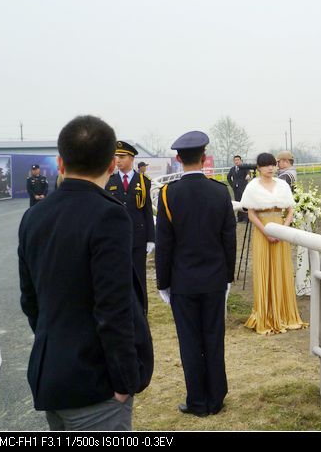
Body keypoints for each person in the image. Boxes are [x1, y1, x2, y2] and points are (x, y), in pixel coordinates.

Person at [18, 115, 153, 431]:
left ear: (60, 163)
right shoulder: (109, 215)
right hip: (95, 384)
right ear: (110, 164)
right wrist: (123, 381)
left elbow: (31, 301)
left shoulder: (34, 217)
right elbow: (113, 307)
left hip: (52, 374)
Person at [155, 130, 236, 417]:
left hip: (183, 281)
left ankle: (197, 401)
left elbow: (164, 244)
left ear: (178, 159)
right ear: (204, 158)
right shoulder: (219, 191)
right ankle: (216, 398)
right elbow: (229, 238)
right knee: (214, 337)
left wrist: (162, 283)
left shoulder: (168, 194)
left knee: (190, 341)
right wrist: (228, 276)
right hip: (214, 279)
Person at [239, 152, 307, 335]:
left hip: (281, 232)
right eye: (266, 165)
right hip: (262, 233)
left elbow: (290, 210)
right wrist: (266, 232)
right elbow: (251, 214)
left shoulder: (282, 185)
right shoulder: (252, 187)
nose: (270, 168)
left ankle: (284, 312)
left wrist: (283, 230)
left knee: (282, 269)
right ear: (259, 168)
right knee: (264, 269)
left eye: (272, 165)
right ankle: (266, 313)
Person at [106, 141, 155, 314]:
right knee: (118, 276)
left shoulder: (143, 181)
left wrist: (151, 238)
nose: (118, 160)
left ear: (132, 158)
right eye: (116, 157)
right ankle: (123, 310)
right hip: (116, 238)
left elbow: (147, 210)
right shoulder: (109, 181)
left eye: (122, 156)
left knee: (139, 276)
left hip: (138, 237)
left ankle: (142, 310)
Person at [227, 155, 257, 222]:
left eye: (238, 160)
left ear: (240, 160)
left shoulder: (244, 167)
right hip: (236, 188)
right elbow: (228, 177)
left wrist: (248, 175)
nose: (236, 161)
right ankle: (239, 217)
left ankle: (246, 218)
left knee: (244, 202)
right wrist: (233, 185)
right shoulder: (232, 169)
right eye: (235, 160)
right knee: (237, 202)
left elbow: (248, 172)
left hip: (243, 187)